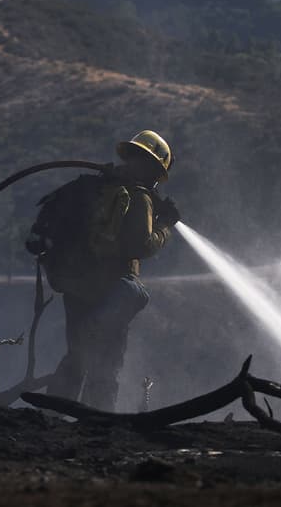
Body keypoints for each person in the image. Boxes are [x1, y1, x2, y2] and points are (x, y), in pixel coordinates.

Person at [32, 130, 181, 412]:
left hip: (76, 285)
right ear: (153, 169)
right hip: (111, 291)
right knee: (107, 361)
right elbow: (141, 245)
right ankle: (98, 422)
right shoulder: (138, 197)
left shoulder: (98, 187)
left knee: (77, 353)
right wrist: (166, 226)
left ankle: (51, 416)